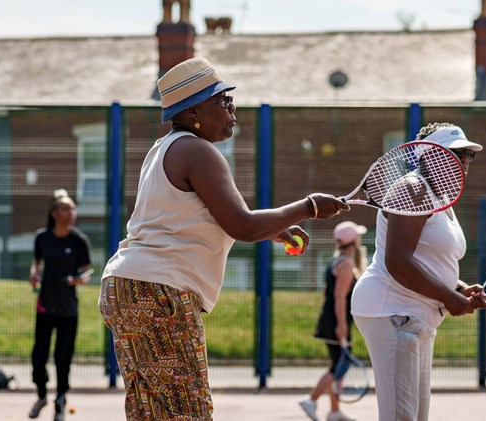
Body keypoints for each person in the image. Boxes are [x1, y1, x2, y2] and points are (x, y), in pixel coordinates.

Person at [97, 57, 348, 421]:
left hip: (127, 286)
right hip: (158, 290)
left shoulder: (164, 148)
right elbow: (242, 225)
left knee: (152, 412)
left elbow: (195, 216)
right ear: (193, 110)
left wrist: (274, 229)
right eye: (222, 101)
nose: (232, 108)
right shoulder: (199, 152)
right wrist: (308, 206)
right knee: (188, 412)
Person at [350, 122, 486, 421]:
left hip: (417, 315)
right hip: (392, 310)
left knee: (416, 417)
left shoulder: (442, 200)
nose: (463, 161)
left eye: (467, 155)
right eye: (454, 154)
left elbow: (426, 261)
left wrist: (457, 289)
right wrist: (450, 299)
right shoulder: (413, 188)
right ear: (427, 156)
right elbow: (398, 262)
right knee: (401, 418)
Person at [28, 189, 92, 421]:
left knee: (63, 358)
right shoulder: (42, 238)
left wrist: (77, 280)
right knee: (39, 356)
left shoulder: (79, 241)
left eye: (73, 208)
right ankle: (42, 395)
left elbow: (87, 273)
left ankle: (60, 401)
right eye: (66, 208)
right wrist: (34, 275)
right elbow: (36, 264)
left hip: (68, 310)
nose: (71, 212)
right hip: (45, 307)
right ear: (55, 213)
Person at [299, 221, 368, 421]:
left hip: (332, 319)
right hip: (336, 322)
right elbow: (338, 297)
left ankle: (334, 411)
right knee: (339, 365)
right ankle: (310, 400)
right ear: (354, 241)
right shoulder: (346, 264)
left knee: (339, 364)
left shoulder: (336, 260)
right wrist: (341, 325)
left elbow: (327, 293)